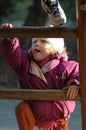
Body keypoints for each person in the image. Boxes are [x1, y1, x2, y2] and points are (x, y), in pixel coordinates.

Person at [0, 23, 79, 130]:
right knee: (22, 108)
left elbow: (78, 74)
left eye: (43, 41)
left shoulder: (65, 66)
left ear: (55, 49)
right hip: (35, 111)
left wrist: (76, 85)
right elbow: (13, 55)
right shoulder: (25, 63)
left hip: (58, 115)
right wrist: (10, 39)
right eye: (35, 41)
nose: (36, 44)